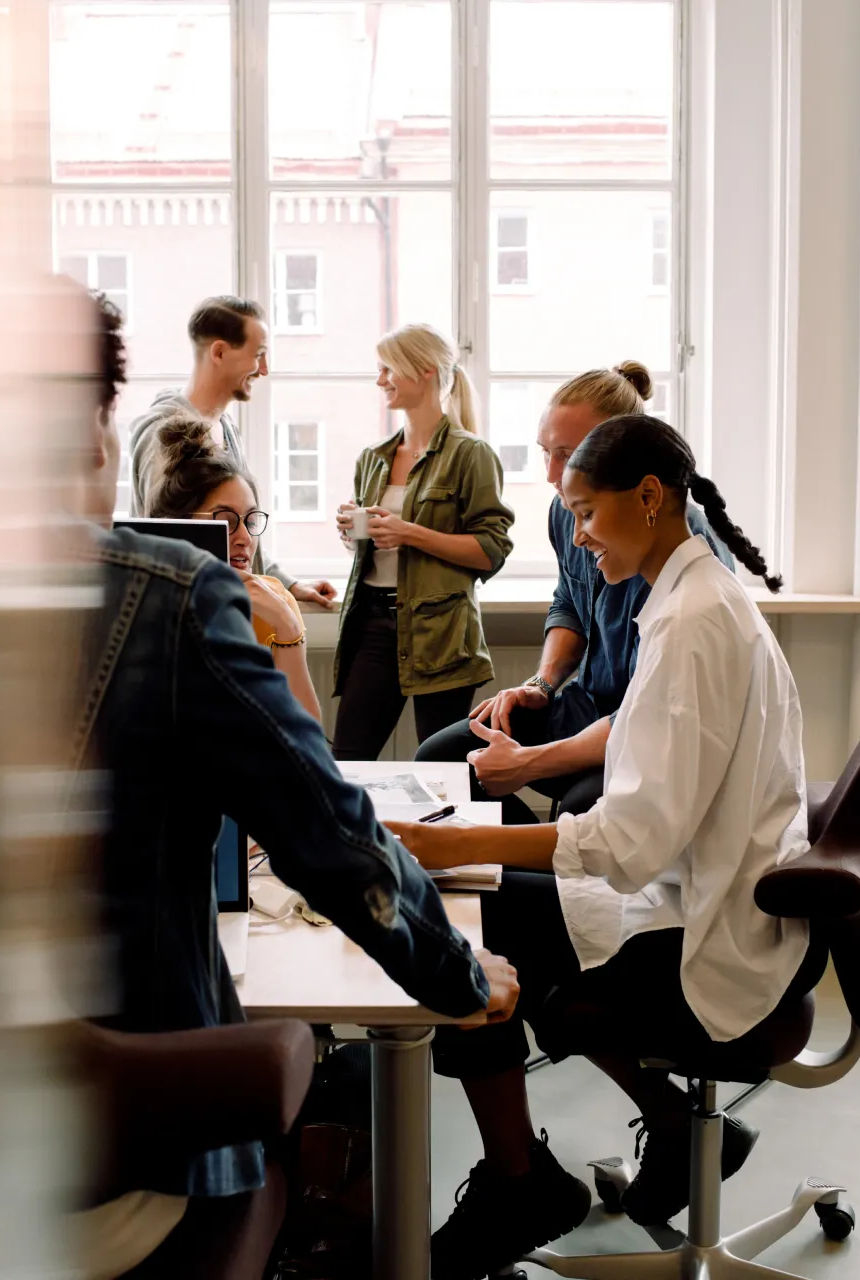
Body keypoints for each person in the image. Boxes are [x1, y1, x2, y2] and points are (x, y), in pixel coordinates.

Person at [73, 292, 520, 1280]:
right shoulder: (165, 596)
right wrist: (451, 969)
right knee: (339, 1069)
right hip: (121, 1163)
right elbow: (324, 824)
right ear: (100, 434)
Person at [387, 414, 821, 1280]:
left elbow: (628, 841)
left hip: (707, 931)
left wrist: (457, 846)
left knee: (462, 929)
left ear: (650, 500)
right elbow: (641, 759)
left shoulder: (694, 619)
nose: (578, 535)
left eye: (586, 513)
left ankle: (520, 1183)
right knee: (495, 921)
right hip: (697, 893)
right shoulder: (688, 599)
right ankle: (635, 1131)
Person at [416, 364, 732, 823]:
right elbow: (569, 601)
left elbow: (650, 716)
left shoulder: (686, 553)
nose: (551, 474)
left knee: (586, 806)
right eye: (545, 452)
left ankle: (546, 881)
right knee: (441, 759)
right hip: (586, 706)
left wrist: (526, 764)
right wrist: (541, 684)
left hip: (644, 726)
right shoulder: (565, 513)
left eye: (567, 454)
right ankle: (519, 874)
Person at [331, 323, 514, 759]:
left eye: (387, 369)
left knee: (443, 770)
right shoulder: (372, 459)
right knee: (347, 763)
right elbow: (376, 553)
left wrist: (408, 532)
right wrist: (351, 532)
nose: (380, 381)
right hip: (372, 625)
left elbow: (491, 551)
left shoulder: (471, 455)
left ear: (425, 371)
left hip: (443, 634)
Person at [127, 294, 336, 609]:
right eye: (259, 354)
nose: (264, 369)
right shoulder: (163, 433)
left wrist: (288, 583)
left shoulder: (226, 429)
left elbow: (239, 531)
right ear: (220, 352)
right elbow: (162, 543)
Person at [144, 412, 321, 722]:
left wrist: (287, 626)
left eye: (251, 520)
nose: (244, 538)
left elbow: (309, 743)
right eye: (225, 521)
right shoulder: (146, 604)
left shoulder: (274, 601)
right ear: (180, 527)